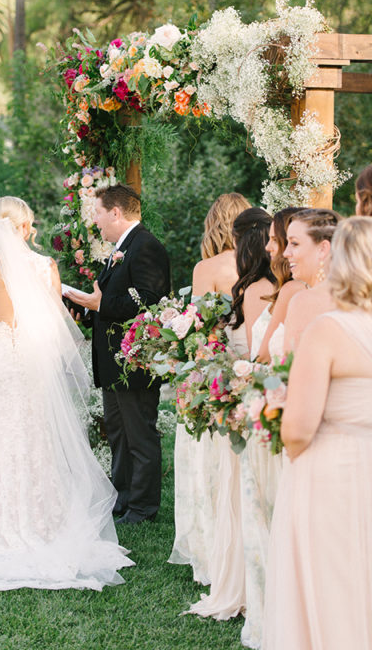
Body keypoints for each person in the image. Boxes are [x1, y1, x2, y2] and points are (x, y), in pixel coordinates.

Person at [0, 196, 133, 594]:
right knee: (35, 434)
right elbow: (55, 323)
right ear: (25, 228)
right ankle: (42, 521)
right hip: (31, 357)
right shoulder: (44, 266)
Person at [262, 216, 372, 649]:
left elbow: (299, 430)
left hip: (331, 472)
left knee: (327, 584)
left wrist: (274, 410)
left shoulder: (328, 329)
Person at [188, 207, 274, 624]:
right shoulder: (267, 286)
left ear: (242, 241)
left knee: (243, 498)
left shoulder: (249, 288)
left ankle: (247, 580)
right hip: (253, 397)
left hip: (243, 400)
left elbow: (247, 351)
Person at [67, 184, 170, 525]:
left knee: (139, 434)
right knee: (119, 434)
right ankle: (122, 498)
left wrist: (100, 304)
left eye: (97, 212)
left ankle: (143, 507)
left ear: (115, 212)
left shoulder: (146, 247)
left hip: (135, 362)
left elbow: (149, 302)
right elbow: (108, 299)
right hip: (114, 362)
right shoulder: (121, 248)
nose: (95, 221)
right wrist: (85, 307)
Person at [169, 192, 250, 585]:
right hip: (251, 365)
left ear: (215, 224)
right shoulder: (264, 265)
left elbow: (200, 330)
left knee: (209, 459)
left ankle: (212, 542)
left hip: (216, 371)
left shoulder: (208, 268)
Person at [282, 209, 341, 354]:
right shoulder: (355, 296)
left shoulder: (304, 301)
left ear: (322, 249)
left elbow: (289, 371)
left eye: (294, 243)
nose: (285, 253)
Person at [254, 207, 305, 364]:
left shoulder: (292, 289)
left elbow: (263, 356)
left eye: (274, 240)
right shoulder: (288, 287)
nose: (267, 247)